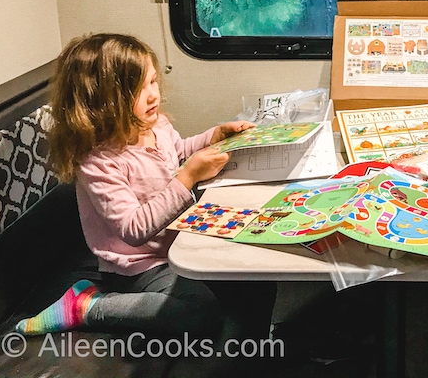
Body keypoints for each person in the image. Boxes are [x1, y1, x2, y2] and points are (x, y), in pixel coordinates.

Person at [15, 33, 275, 341]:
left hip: (179, 243)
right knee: (198, 312)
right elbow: (133, 229)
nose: (153, 95)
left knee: (259, 277)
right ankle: (87, 306)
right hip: (138, 266)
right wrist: (187, 177)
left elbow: (177, 151)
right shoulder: (98, 161)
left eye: (152, 81)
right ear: (101, 100)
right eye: (138, 89)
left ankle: (257, 352)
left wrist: (212, 136)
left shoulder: (155, 125)